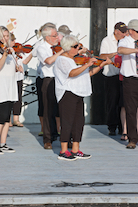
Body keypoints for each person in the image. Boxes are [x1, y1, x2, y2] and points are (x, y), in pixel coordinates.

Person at [53, 35, 112, 161]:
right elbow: (72, 73)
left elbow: (88, 74)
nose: (78, 48)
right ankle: (63, 150)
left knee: (78, 122)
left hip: (78, 93)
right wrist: (88, 64)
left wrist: (102, 65)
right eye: (76, 46)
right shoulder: (62, 60)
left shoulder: (75, 59)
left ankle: (75, 149)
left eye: (78, 46)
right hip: (67, 93)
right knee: (67, 121)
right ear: (68, 48)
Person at [36, 23, 64, 149]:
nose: (57, 37)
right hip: (48, 80)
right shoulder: (41, 48)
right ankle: (47, 139)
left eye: (57, 35)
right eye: (54, 35)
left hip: (60, 80)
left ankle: (62, 136)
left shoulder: (58, 47)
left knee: (61, 110)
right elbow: (48, 61)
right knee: (47, 111)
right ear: (47, 37)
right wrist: (62, 51)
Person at [100, 22, 127, 136]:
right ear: (116, 31)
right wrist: (115, 53)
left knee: (123, 102)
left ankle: (122, 127)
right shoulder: (106, 40)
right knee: (112, 102)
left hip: (123, 75)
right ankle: (112, 126)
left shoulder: (126, 40)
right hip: (111, 75)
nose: (124, 34)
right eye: (122, 32)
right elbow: (101, 56)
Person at [0, 26, 23, 155]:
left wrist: (17, 67)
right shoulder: (3, 51)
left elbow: (11, 67)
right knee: (0, 117)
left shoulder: (11, 50)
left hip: (10, 86)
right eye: (3, 36)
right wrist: (4, 54)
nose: (6, 38)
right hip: (1, 86)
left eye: (7, 36)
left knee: (6, 118)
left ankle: (3, 144)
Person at [117, 19, 138, 149]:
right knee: (130, 109)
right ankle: (132, 138)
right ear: (130, 31)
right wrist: (136, 50)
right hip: (131, 79)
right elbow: (120, 50)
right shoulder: (125, 41)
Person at [9, 33, 24, 127]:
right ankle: (7, 119)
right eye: (12, 40)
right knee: (9, 98)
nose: (14, 42)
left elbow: (24, 61)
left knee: (18, 98)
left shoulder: (16, 51)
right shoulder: (8, 52)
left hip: (18, 78)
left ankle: (16, 119)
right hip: (10, 78)